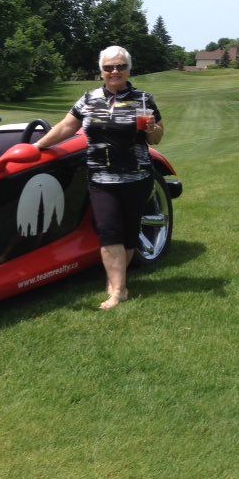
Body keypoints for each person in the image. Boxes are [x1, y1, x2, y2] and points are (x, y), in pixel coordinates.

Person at [34, 45, 164, 310]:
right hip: (101, 179)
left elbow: (156, 138)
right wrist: (38, 146)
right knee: (109, 231)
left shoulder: (143, 99)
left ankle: (116, 283)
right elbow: (66, 126)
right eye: (109, 67)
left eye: (120, 66)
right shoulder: (88, 99)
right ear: (101, 71)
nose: (115, 71)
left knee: (129, 233)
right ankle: (118, 291)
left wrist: (152, 128)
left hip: (137, 177)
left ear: (129, 70)